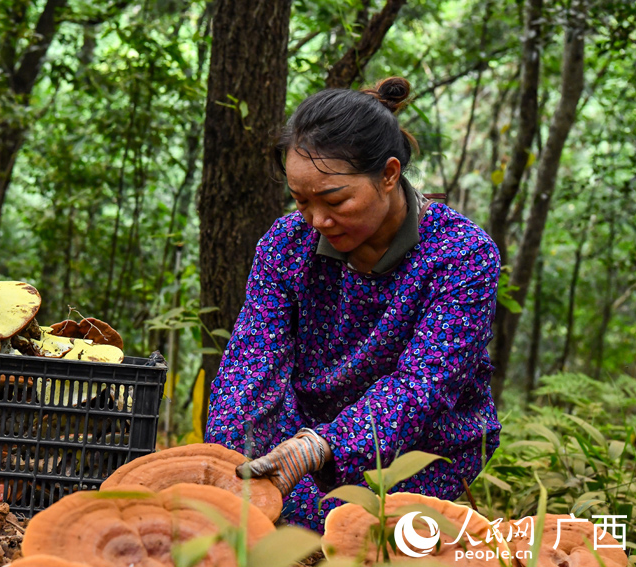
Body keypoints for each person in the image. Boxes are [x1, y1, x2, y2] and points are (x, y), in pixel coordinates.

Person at [204, 77, 501, 533]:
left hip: (423, 448)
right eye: (301, 201)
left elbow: (424, 384)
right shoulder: (287, 244)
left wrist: (324, 445)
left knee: (361, 538)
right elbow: (252, 360)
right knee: (272, 528)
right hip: (298, 442)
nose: (318, 220)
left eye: (335, 199)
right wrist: (224, 463)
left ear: (388, 174)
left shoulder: (461, 254)